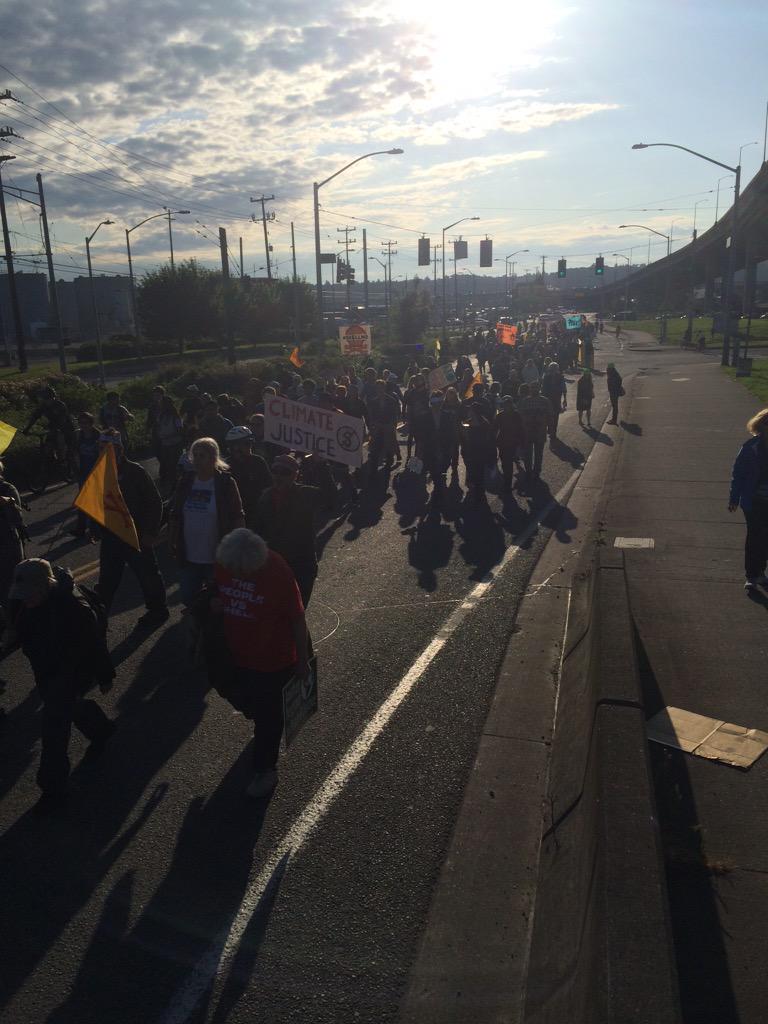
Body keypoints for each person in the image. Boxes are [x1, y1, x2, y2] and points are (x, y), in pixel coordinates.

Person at [203, 529, 310, 799]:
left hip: (273, 661)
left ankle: (265, 770)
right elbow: (215, 587)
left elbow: (297, 619)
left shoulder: (278, 572)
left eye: (244, 574)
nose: (237, 577)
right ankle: (261, 722)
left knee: (268, 719)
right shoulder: (225, 562)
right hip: (233, 654)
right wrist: (213, 602)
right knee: (242, 699)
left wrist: (302, 660)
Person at [6, 558, 115, 801]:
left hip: (73, 668)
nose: (26, 599)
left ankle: (53, 788)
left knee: (54, 727)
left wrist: (105, 675)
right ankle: (101, 729)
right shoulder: (23, 604)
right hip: (47, 669)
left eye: (31, 594)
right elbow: (19, 632)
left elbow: (95, 645)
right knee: (69, 707)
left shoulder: (73, 608)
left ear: (46, 587)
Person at [96, 431, 169, 629]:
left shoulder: (135, 472)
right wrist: (93, 527)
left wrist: (150, 532)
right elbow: (96, 503)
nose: (104, 452)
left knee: (148, 576)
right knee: (107, 581)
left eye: (109, 448)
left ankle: (158, 610)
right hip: (111, 536)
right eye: (101, 448)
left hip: (136, 535)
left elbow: (155, 503)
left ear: (120, 449)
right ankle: (98, 617)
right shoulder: (100, 472)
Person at [169, 437, 245, 607]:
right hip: (189, 555)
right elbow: (175, 514)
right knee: (188, 597)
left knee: (217, 601)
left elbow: (237, 515)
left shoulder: (225, 483)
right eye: (194, 455)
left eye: (201, 455)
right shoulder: (186, 481)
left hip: (216, 556)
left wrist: (239, 546)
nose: (196, 459)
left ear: (213, 457)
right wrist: (171, 539)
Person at [253, 454, 321, 607]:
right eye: (275, 471)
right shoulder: (265, 497)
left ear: (295, 475)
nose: (279, 476)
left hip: (301, 566)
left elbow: (330, 499)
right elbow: (257, 530)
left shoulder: (305, 494)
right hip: (274, 565)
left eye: (285, 472)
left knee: (297, 611)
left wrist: (322, 466)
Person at [729, 408, 768, 592]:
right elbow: (739, 474)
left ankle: (760, 571)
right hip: (755, 501)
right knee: (755, 536)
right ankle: (752, 575)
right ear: (761, 426)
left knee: (764, 537)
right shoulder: (750, 448)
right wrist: (734, 498)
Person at [226, 425, 272, 529]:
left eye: (243, 445)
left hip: (255, 515)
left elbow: (268, 487)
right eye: (234, 446)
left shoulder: (258, 462)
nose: (237, 449)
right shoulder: (226, 465)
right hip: (232, 515)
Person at [22, 385, 76, 471]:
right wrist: (27, 428)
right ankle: (53, 461)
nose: (46, 402)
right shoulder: (43, 406)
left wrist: (56, 429)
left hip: (66, 428)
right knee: (47, 447)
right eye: (44, 400)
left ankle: (65, 463)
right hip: (53, 428)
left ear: (52, 397)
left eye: (46, 399)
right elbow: (35, 417)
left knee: (61, 444)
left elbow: (63, 420)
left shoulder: (60, 405)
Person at [421, 390, 459, 502]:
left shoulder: (448, 416)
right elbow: (422, 434)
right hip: (430, 448)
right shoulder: (425, 416)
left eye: (439, 401)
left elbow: (451, 433)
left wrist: (451, 447)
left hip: (444, 447)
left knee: (444, 466)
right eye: (435, 401)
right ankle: (438, 490)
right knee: (434, 471)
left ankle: (439, 482)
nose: (437, 404)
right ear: (431, 402)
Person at [0, 461, 27, 604]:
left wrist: (9, 503)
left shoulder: (7, 489)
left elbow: (18, 519)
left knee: (11, 588)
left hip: (8, 544)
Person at [72, 412, 100, 539]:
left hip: (96, 472)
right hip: (83, 471)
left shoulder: (98, 435)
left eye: (86, 423)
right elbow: (75, 452)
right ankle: (81, 529)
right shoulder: (78, 435)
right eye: (81, 423)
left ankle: (95, 528)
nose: (83, 425)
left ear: (91, 423)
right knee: (83, 500)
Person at [460, 403, 495, 504]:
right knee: (472, 472)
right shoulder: (468, 422)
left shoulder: (484, 423)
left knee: (478, 472)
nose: (469, 412)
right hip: (470, 452)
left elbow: (488, 439)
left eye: (471, 410)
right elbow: (463, 434)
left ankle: (479, 494)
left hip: (479, 452)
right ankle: (475, 491)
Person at [518, 381, 552, 480]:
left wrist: (550, 428)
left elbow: (550, 415)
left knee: (538, 454)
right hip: (527, 432)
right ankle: (528, 471)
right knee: (527, 454)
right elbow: (519, 416)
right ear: (530, 389)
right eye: (532, 388)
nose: (534, 389)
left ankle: (537, 471)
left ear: (539, 388)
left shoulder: (545, 401)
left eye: (536, 387)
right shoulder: (524, 401)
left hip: (540, 431)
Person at [155, 395, 184, 492]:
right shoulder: (161, 415)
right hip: (165, 443)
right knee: (166, 463)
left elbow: (180, 430)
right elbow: (159, 427)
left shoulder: (175, 416)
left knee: (174, 464)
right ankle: (169, 483)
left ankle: (176, 484)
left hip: (175, 443)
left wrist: (169, 436)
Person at [495, 396, 524, 491]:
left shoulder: (516, 415)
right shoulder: (500, 416)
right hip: (502, 442)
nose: (507, 407)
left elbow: (521, 429)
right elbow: (494, 429)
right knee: (504, 462)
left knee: (508, 463)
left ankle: (507, 483)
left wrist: (521, 442)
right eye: (505, 405)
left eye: (508, 405)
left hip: (513, 442)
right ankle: (507, 481)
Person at [541, 361, 567, 441]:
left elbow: (563, 388)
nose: (553, 370)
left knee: (555, 416)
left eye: (554, 369)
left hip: (555, 399)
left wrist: (565, 399)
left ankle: (553, 431)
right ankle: (551, 430)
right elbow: (543, 388)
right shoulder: (546, 377)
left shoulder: (560, 377)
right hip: (548, 399)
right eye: (552, 369)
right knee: (549, 416)